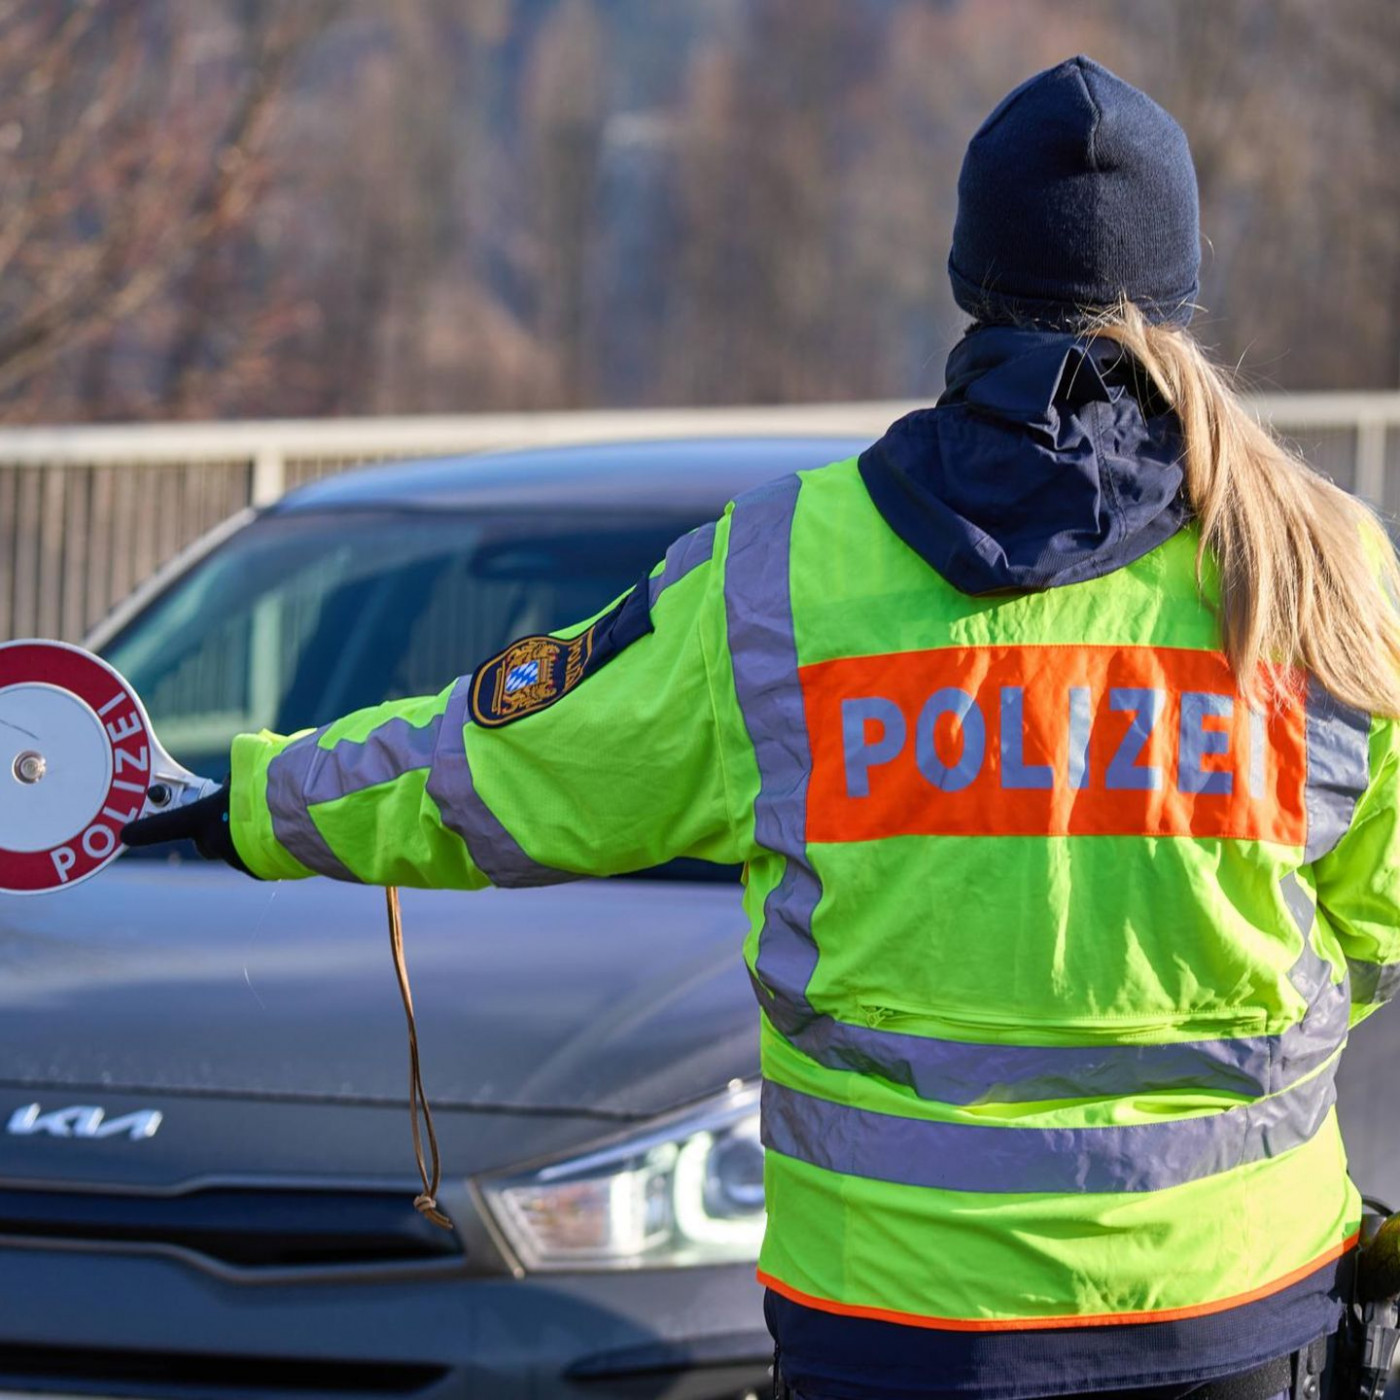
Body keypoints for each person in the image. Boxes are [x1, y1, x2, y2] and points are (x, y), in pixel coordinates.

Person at [125, 55, 1400, 1400]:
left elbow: (497, 770)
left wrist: (241, 807)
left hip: (894, 1323)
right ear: (1183, 285)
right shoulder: (1322, 571)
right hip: (1238, 1307)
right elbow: (1373, 925)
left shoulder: (786, 571)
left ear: (970, 277)